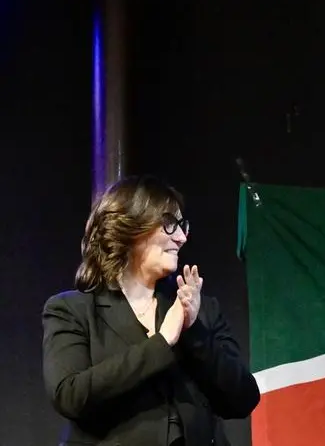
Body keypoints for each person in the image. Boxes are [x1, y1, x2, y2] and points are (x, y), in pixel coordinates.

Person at [41, 175, 260, 446]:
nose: (181, 237)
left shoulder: (199, 308)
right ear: (129, 227)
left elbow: (243, 399)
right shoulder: (72, 310)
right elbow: (69, 395)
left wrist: (195, 334)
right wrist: (162, 342)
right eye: (169, 224)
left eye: (182, 226)